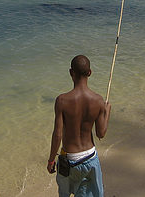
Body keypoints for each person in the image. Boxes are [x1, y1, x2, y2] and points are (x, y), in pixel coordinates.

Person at [47, 55, 111, 197]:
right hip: (89, 159)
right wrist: (107, 112)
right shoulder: (98, 100)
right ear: (90, 73)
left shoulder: (62, 100)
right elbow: (101, 133)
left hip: (68, 160)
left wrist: (51, 160)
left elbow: (57, 134)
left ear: (71, 72)